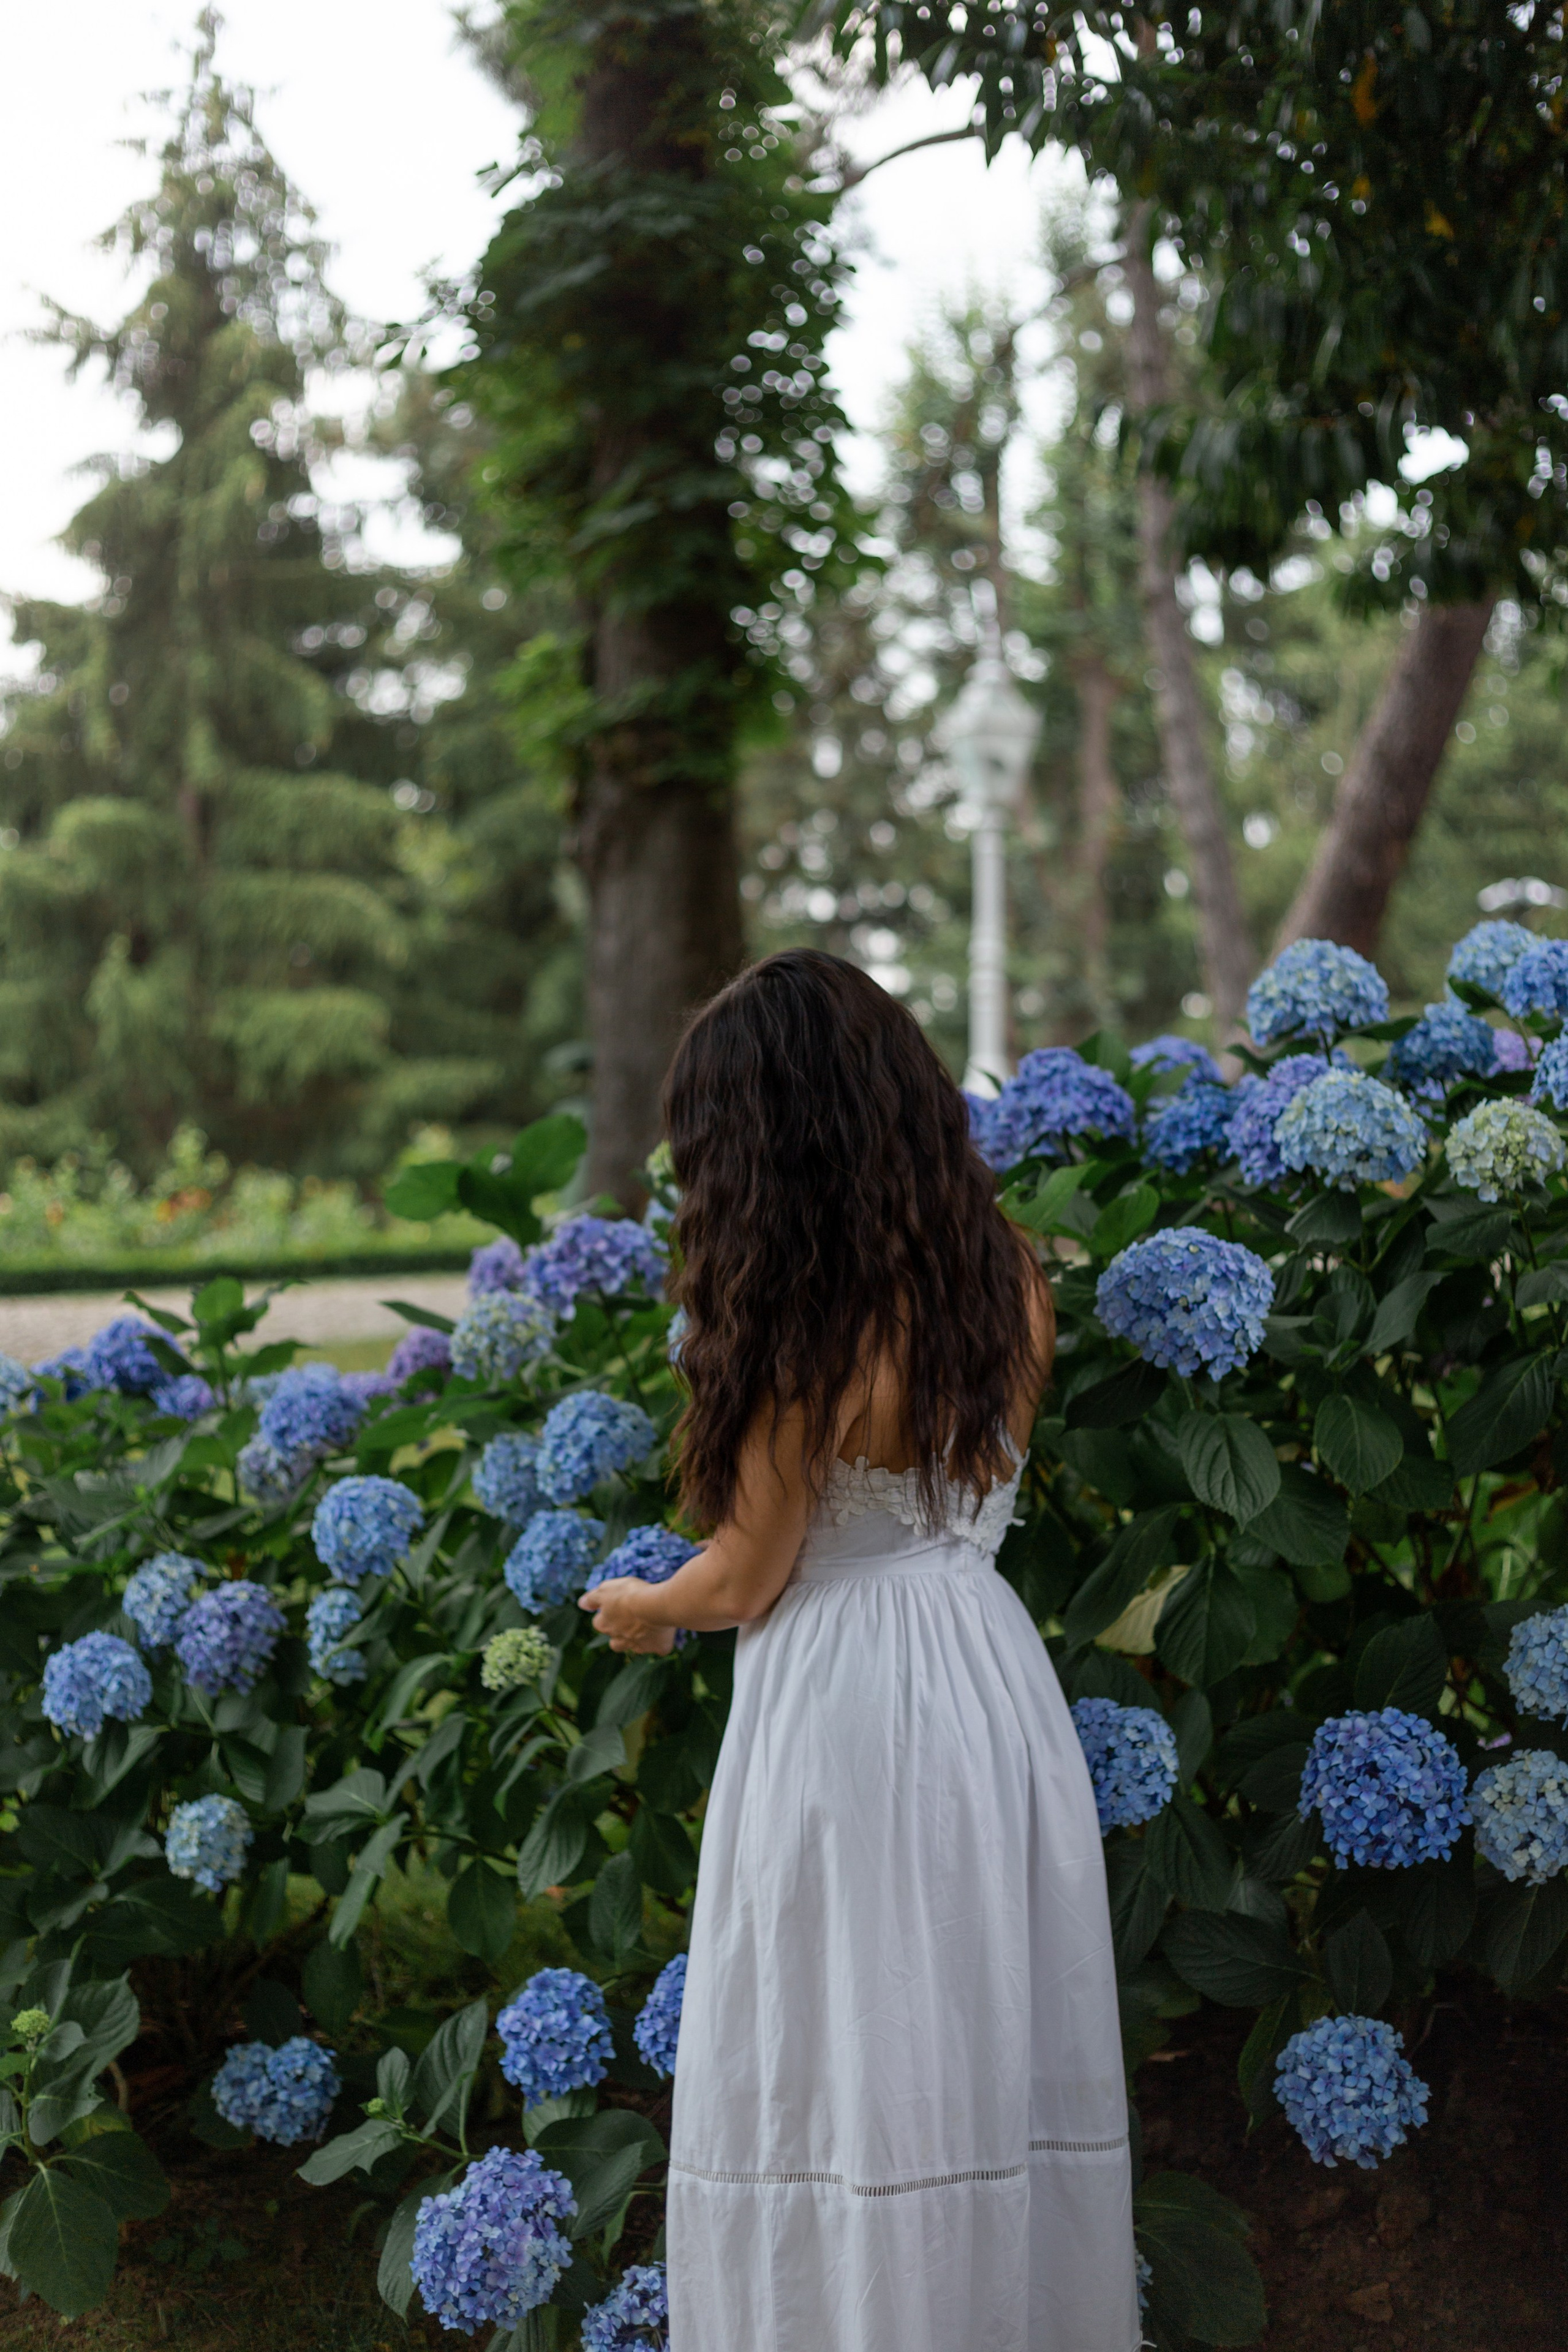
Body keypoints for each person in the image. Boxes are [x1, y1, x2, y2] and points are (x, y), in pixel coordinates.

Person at [579, 949, 1139, 2352]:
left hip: (845, 1702)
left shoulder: (799, 1329)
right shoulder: (1004, 1273)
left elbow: (750, 1575)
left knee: (840, 2045)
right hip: (985, 1677)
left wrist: (647, 1606)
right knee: (968, 2031)